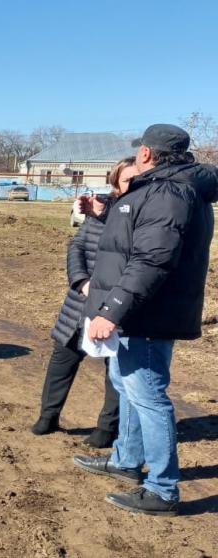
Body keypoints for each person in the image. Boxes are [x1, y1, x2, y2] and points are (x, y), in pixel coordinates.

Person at [74, 124, 217, 516]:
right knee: (127, 386)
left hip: (147, 315)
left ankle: (163, 489)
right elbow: (140, 236)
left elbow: (152, 259)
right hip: (140, 312)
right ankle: (126, 460)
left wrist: (112, 310)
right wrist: (106, 212)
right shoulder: (164, 189)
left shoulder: (170, 192)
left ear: (147, 154)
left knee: (149, 397)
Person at [31, 158, 136, 447]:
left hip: (117, 303)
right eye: (127, 180)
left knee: (115, 367)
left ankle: (106, 428)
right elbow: (77, 245)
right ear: (115, 183)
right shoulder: (100, 210)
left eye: (137, 179)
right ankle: (48, 416)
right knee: (63, 356)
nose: (133, 185)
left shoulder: (141, 215)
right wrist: (81, 281)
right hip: (81, 300)